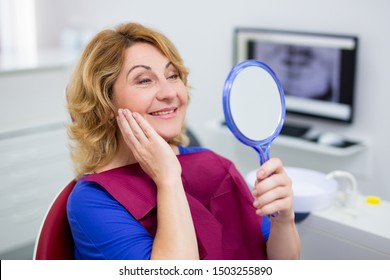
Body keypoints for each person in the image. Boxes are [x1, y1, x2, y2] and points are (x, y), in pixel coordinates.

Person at [66, 22, 300, 260]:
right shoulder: (93, 200)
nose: (169, 93)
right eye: (144, 80)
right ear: (105, 104)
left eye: (172, 75)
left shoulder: (216, 166)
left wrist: (284, 221)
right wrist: (168, 179)